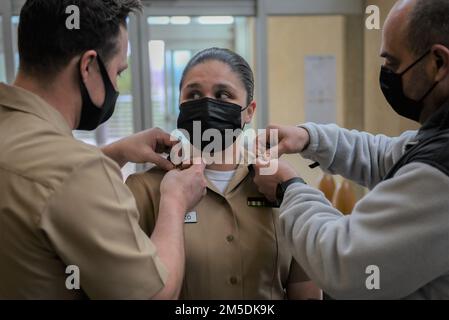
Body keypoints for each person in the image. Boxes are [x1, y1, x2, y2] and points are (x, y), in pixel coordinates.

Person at [0, 0, 207, 299]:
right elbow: (155, 295)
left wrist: (115, 153)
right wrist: (175, 202)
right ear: (87, 66)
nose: (117, 85)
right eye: (118, 72)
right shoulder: (78, 171)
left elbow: (36, 184)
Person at [252, 0, 449, 299]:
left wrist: (287, 188)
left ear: (439, 62)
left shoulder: (440, 171)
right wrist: (310, 138)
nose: (386, 74)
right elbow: (386, 157)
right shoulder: (437, 139)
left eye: (394, 64)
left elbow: (343, 262)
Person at [126, 48, 322, 300]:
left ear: (249, 111)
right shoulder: (144, 189)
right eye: (194, 94)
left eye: (223, 94)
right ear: (180, 105)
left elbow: (304, 290)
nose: (207, 104)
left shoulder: (284, 188)